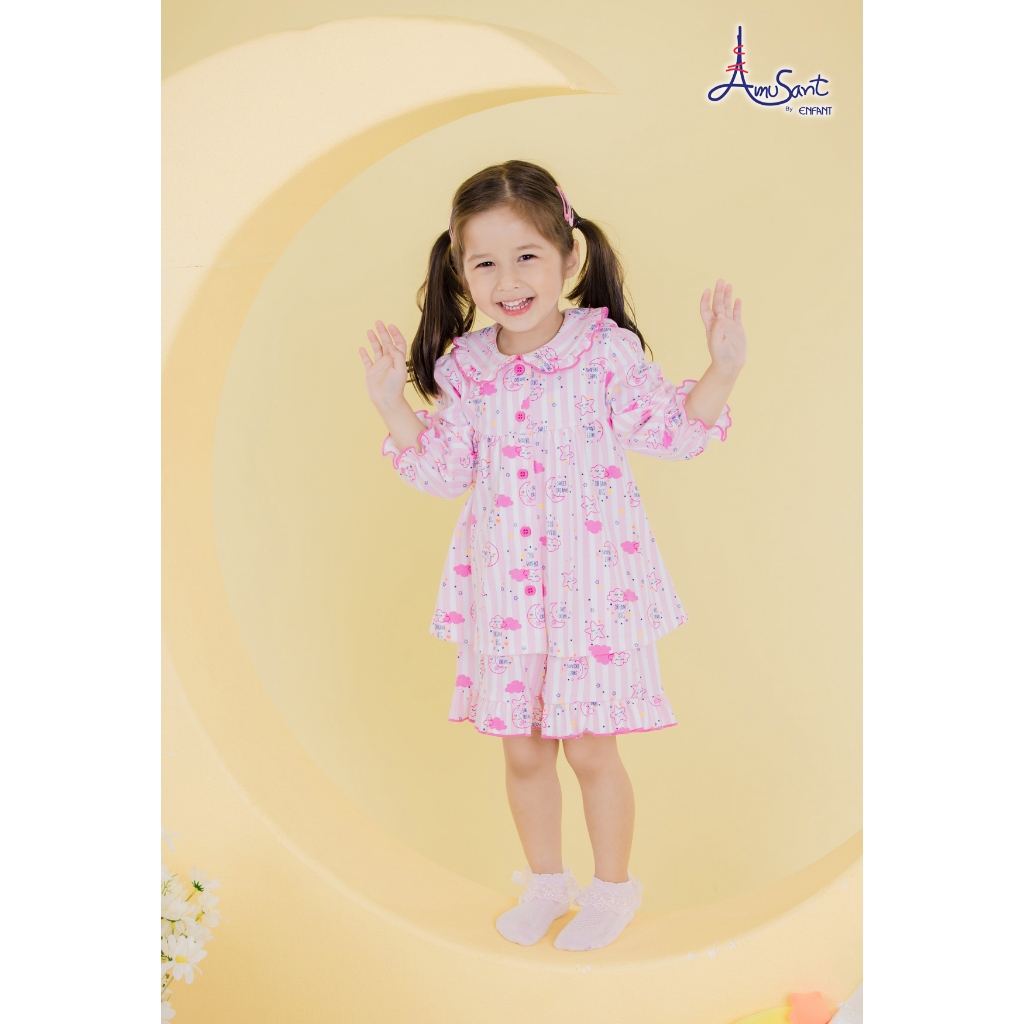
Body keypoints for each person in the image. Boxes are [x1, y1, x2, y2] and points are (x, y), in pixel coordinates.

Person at [359, 160, 746, 951]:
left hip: (591, 591)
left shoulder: (602, 350)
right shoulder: (466, 367)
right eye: (485, 263)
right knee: (524, 752)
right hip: (506, 594)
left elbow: (671, 433)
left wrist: (724, 369)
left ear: (569, 258)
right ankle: (545, 883)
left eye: (527, 256)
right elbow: (445, 472)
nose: (508, 280)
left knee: (592, 752)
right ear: (461, 272)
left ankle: (612, 890)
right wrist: (392, 404)